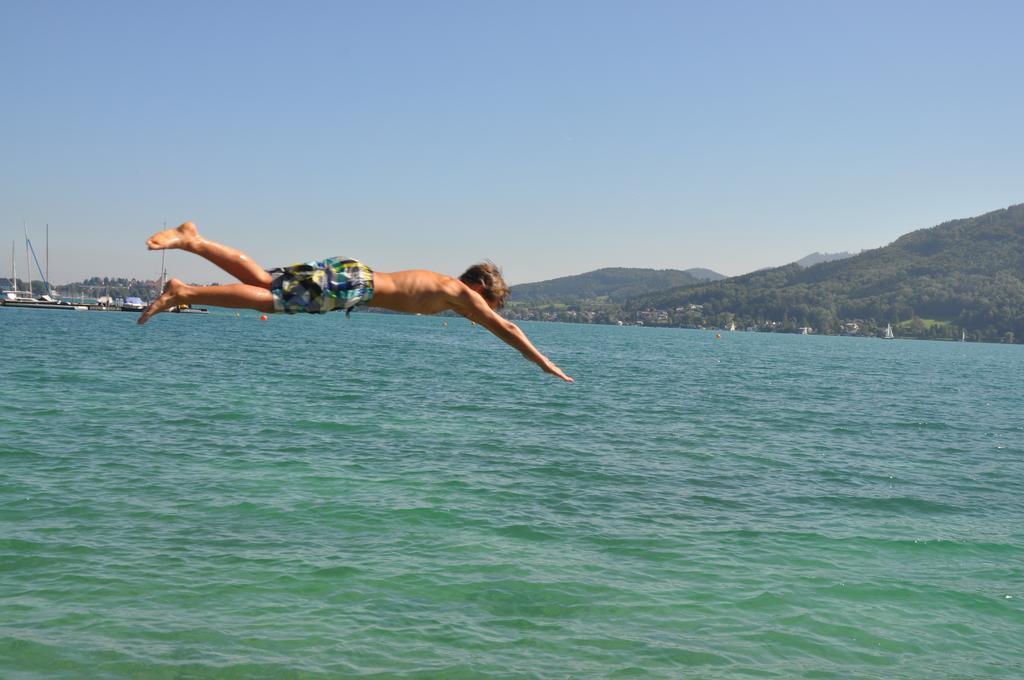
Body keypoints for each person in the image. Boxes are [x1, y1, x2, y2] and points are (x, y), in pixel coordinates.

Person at [139, 222, 573, 382]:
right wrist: (542, 362)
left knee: (260, 280)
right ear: (479, 287)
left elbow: (491, 324)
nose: (490, 311)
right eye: (491, 301)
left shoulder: (448, 293)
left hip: (352, 273)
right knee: (271, 300)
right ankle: (185, 292)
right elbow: (508, 330)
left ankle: (193, 241)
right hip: (355, 286)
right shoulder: (458, 293)